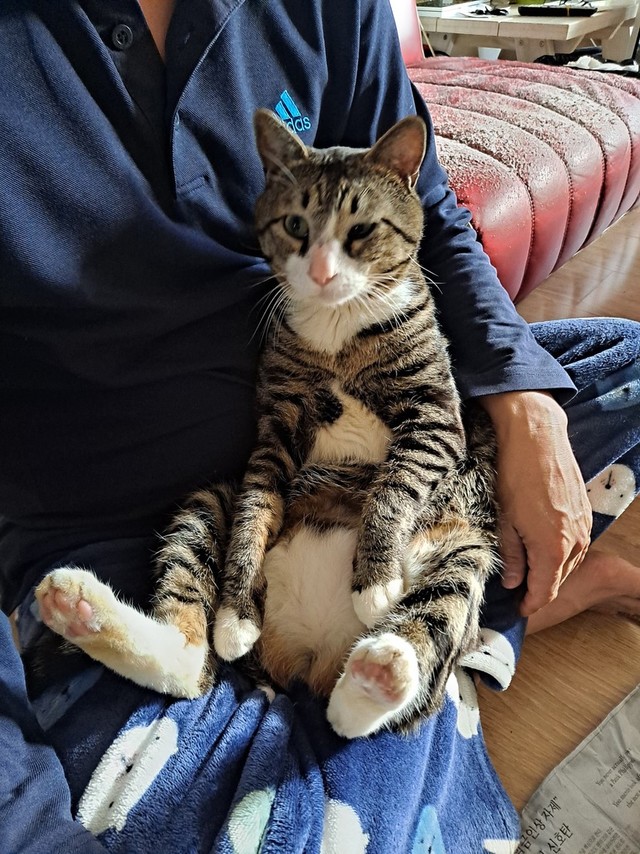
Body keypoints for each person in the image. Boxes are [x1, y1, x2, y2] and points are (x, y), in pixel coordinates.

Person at [1, 1, 639, 851]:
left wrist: (526, 409)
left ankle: (476, 624)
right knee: (312, 815)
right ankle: (485, 627)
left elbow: (427, 206)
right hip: (132, 529)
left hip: (377, 442)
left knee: (627, 365)